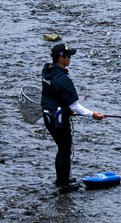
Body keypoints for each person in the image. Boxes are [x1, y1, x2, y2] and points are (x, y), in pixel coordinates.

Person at [41, 43, 105, 192]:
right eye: (68, 56)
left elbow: (54, 97)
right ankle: (64, 185)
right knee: (64, 149)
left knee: (61, 148)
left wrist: (65, 108)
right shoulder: (61, 78)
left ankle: (61, 179)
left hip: (48, 116)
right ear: (61, 58)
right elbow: (75, 105)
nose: (70, 58)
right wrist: (93, 114)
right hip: (57, 119)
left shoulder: (48, 71)